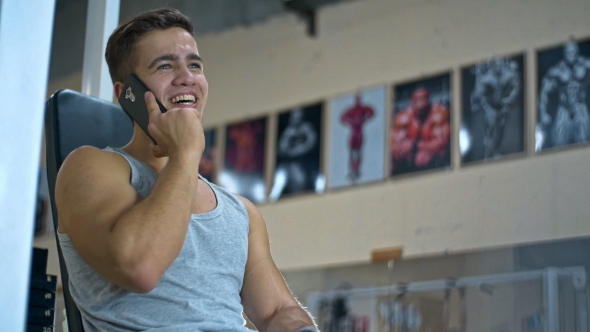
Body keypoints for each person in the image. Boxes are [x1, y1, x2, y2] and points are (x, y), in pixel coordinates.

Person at [54, 8, 318, 332]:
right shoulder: (91, 167)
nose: (187, 77)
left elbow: (278, 309)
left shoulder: (241, 214)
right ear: (128, 94)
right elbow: (140, 266)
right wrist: (184, 155)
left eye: (194, 65)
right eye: (165, 65)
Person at [539, 40, 590, 147]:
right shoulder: (557, 71)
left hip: (580, 108)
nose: (570, 56)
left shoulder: (586, 65)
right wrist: (543, 113)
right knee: (558, 144)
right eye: (567, 53)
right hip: (564, 110)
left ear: (577, 52)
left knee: (584, 143)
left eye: (572, 52)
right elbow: (544, 91)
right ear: (564, 53)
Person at [390, 87, 450, 175]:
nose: (420, 104)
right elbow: (395, 149)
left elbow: (441, 145)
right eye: (416, 100)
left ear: (428, 99)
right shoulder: (402, 118)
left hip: (435, 160)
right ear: (411, 101)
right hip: (410, 161)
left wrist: (414, 145)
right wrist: (413, 156)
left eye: (423, 99)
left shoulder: (438, 114)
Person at [470, 58, 520, 159]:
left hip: (502, 108)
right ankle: (488, 154)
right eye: (496, 64)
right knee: (490, 131)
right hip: (490, 109)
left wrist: (507, 100)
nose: (498, 67)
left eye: (500, 64)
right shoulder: (487, 77)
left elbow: (516, 87)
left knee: (500, 130)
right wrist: (486, 105)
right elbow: (479, 92)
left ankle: (495, 150)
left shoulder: (508, 75)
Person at [340, 94, 374, 181]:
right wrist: (350, 122)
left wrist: (364, 119)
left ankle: (356, 170)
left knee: (357, 152)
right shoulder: (351, 111)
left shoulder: (363, 109)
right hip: (354, 134)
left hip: (359, 134)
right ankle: (352, 170)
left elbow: (371, 112)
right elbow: (343, 118)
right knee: (353, 152)